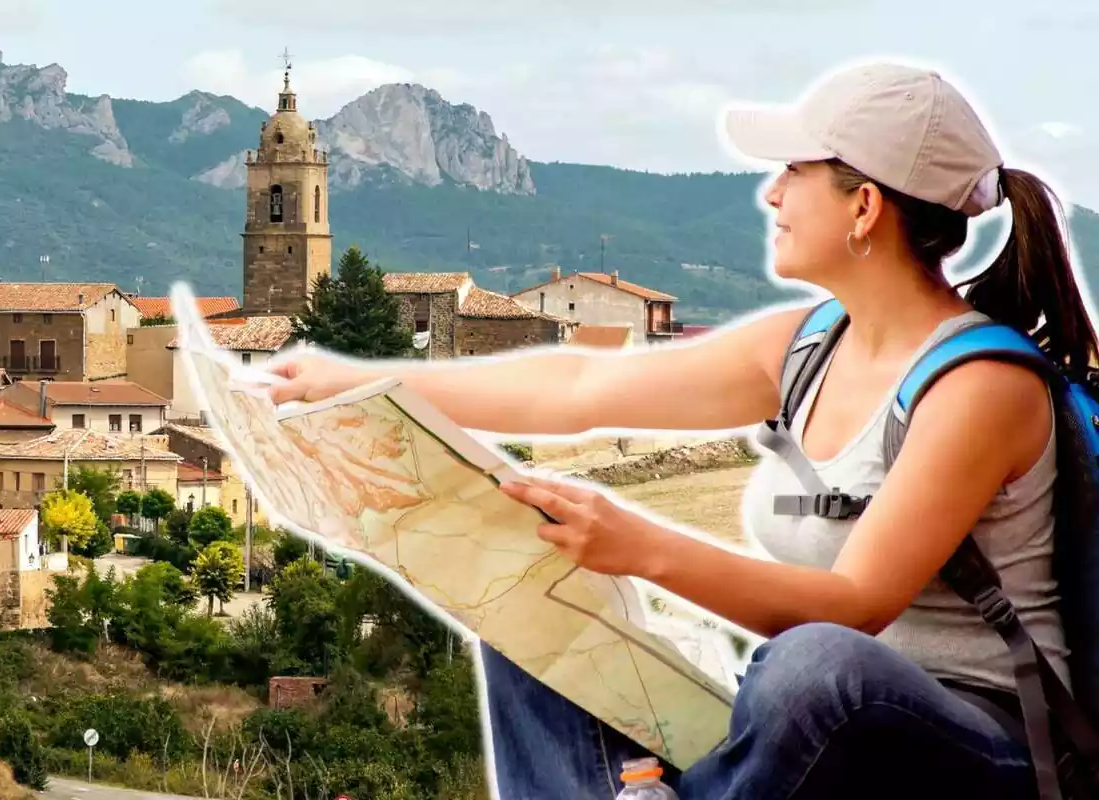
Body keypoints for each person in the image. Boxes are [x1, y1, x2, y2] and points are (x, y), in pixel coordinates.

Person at [265, 61, 1099, 799]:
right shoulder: (808, 347)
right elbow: (582, 384)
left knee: (814, 668)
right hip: (806, 746)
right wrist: (365, 382)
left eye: (792, 172)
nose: (770, 193)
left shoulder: (980, 387)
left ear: (865, 206)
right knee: (520, 592)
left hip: (984, 747)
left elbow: (856, 607)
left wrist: (638, 547)